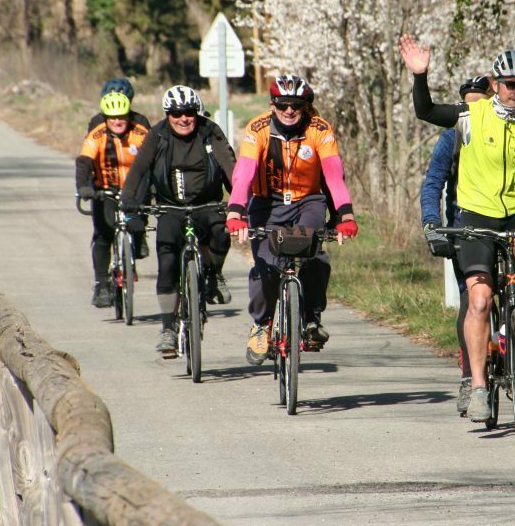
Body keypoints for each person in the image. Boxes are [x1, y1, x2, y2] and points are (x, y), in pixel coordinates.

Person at [401, 35, 515, 423]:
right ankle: (479, 387)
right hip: (475, 217)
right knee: (481, 301)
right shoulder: (469, 116)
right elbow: (426, 110)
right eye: (510, 85)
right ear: (496, 83)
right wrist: (420, 76)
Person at [419, 75, 515, 415]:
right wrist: (432, 223)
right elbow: (432, 185)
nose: (472, 107)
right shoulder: (452, 137)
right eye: (466, 101)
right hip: (463, 229)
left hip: (508, 221)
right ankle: (473, 379)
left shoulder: (510, 129)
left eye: (477, 99)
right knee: (475, 301)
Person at [225, 75, 359, 366]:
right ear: (273, 105)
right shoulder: (258, 129)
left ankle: (311, 318)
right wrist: (236, 210)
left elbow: (334, 175)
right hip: (266, 203)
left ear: (305, 106)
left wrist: (345, 214)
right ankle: (261, 326)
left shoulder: (319, 129)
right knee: (265, 265)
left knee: (315, 254)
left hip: (307, 201)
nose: (289, 111)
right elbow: (244, 173)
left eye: (295, 105)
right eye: (283, 104)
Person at [120, 85, 236, 354]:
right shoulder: (157, 135)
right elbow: (138, 170)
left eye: (189, 112)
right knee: (168, 262)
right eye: (176, 113)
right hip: (170, 207)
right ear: (168, 114)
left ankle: (213, 274)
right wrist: (129, 202)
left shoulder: (210, 131)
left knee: (221, 232)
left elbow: (230, 166)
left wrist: (241, 201)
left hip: (206, 203)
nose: (183, 118)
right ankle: (168, 328)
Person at [76, 91, 150, 307]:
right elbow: (84, 162)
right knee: (102, 235)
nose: (117, 121)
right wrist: (83, 187)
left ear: (129, 116)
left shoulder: (140, 133)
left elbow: (155, 161)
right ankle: (101, 284)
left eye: (122, 116)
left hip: (135, 191)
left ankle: (135, 244)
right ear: (106, 118)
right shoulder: (97, 135)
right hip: (105, 190)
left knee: (137, 225)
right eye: (112, 117)